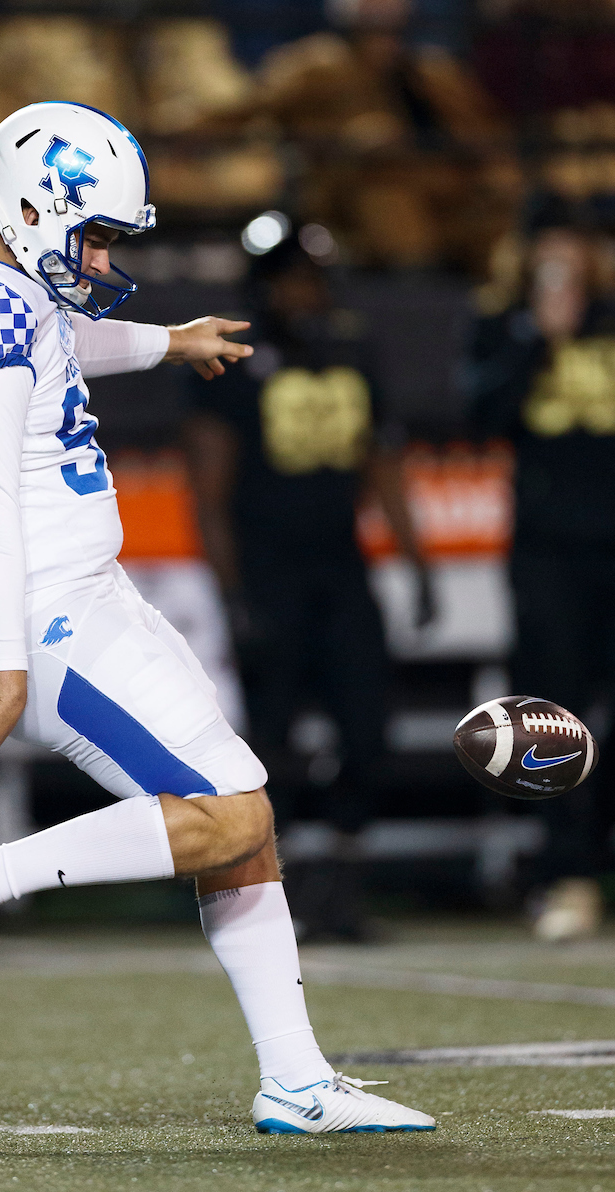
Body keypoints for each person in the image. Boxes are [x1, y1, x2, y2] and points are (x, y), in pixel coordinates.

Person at [0, 101, 435, 1136]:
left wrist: (165, 342)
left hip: (77, 593)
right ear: (33, 208)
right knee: (234, 814)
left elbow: (47, 343)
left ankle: (296, 1081)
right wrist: (7, 678)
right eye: (97, 234)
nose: (105, 254)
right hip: (43, 614)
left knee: (235, 807)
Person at [183, 229, 431, 940]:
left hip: (341, 567)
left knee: (366, 725)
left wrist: (416, 562)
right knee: (270, 738)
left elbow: (381, 463)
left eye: (311, 278)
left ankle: (344, 881)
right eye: (290, 279)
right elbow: (209, 487)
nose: (305, 292)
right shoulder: (232, 362)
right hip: (270, 573)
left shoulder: (352, 353)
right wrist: (231, 592)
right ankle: (269, 892)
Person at [467, 202, 615, 940]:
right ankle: (566, 875)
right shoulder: (502, 323)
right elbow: (482, 420)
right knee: (555, 715)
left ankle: (609, 853)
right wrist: (534, 341)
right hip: (549, 551)